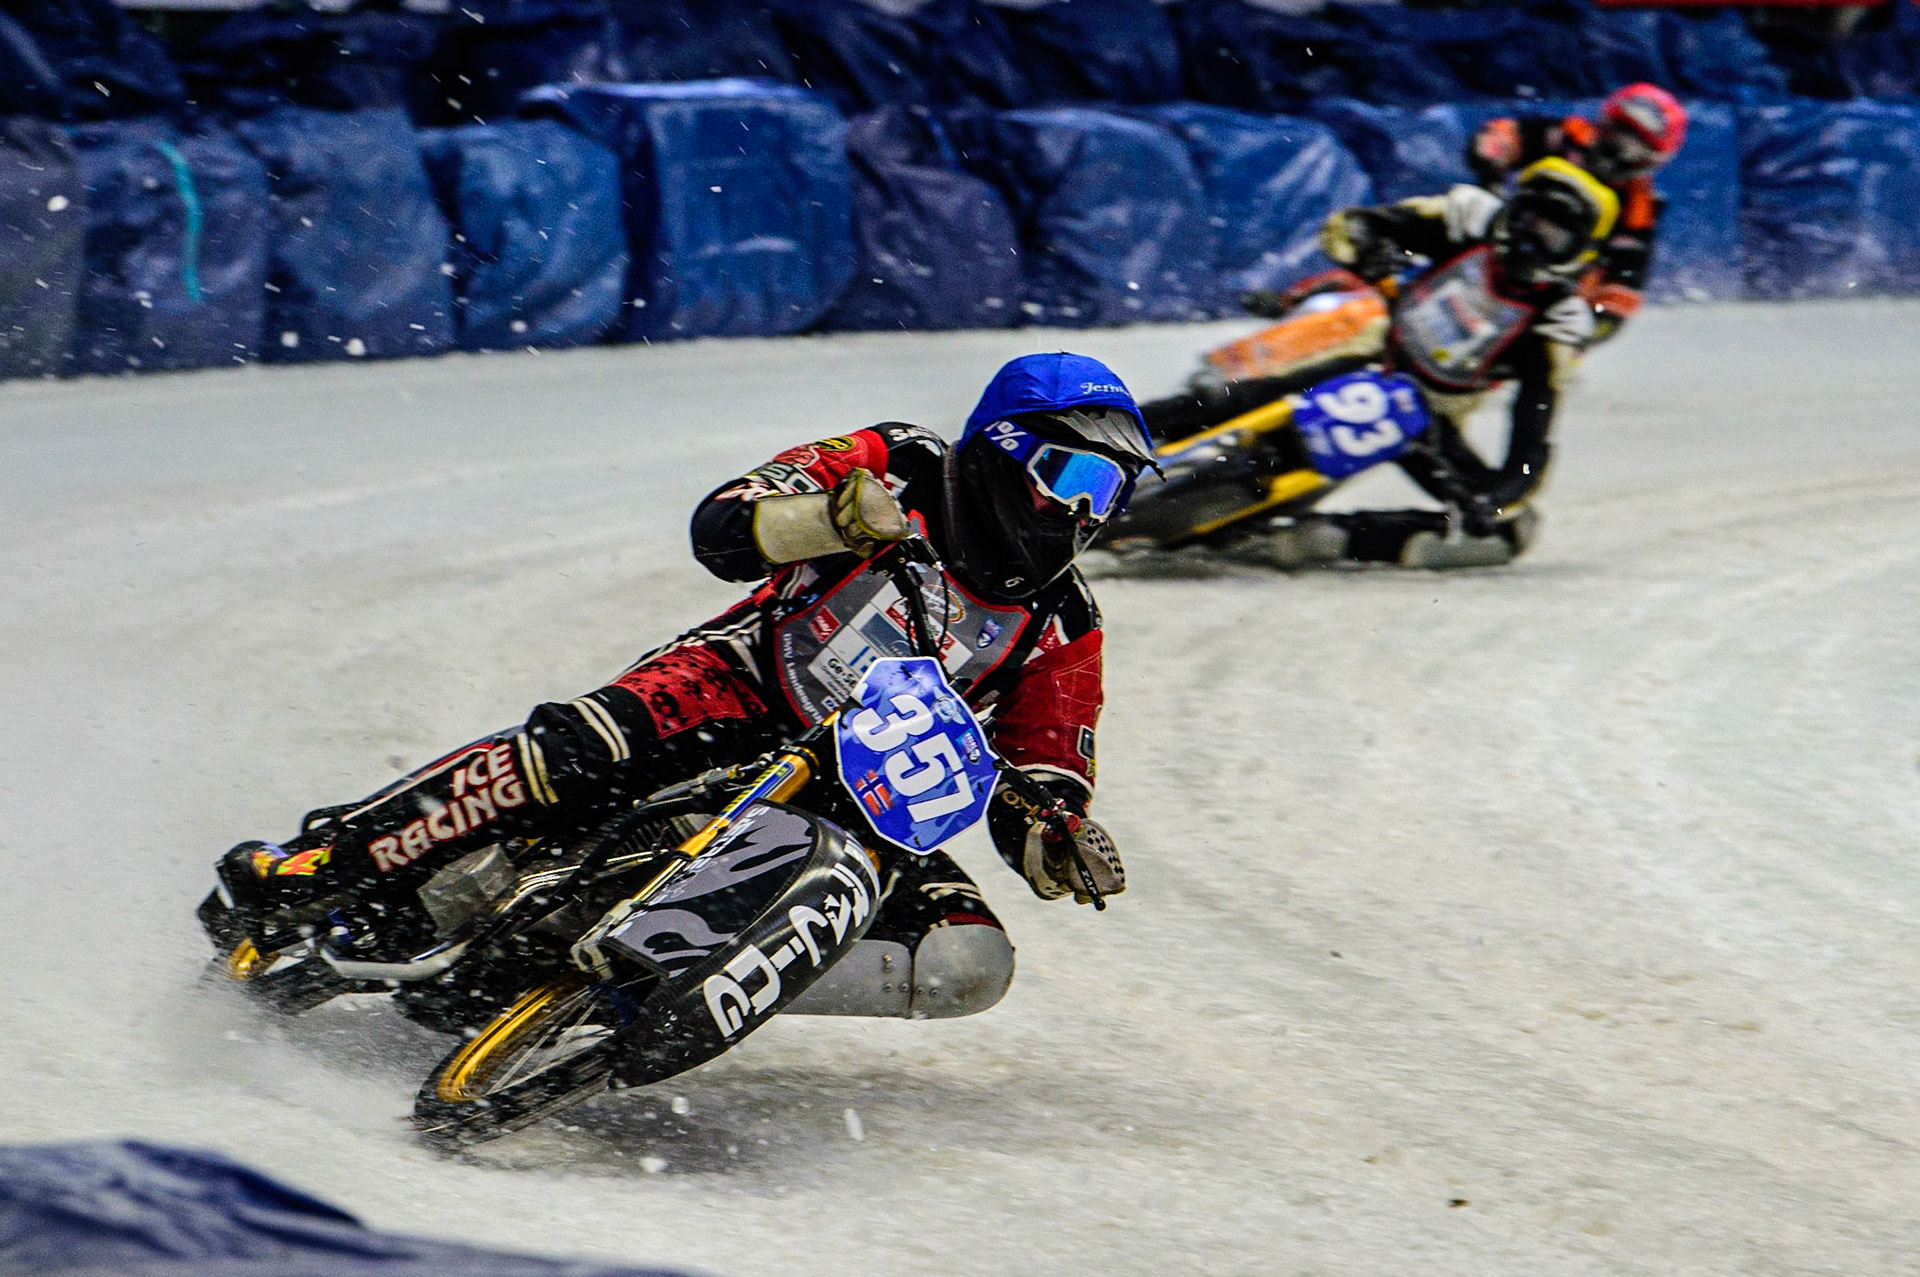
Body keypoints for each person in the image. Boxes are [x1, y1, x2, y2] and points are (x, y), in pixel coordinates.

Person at [215, 352, 1150, 1022]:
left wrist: (1052, 837)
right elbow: (723, 524)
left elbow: (1046, 761)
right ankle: (322, 864)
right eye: (1068, 475)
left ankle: (664, 989)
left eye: (1108, 496)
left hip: (869, 798)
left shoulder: (1067, 620)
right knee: (568, 750)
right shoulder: (902, 461)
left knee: (965, 960)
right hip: (737, 687)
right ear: (997, 446)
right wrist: (827, 516)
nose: (1081, 514)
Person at [1260, 157, 1621, 569]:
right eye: (1529, 221)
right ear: (1513, 210)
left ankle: (1334, 538)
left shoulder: (1559, 320)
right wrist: (1371, 246)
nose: (1530, 242)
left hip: (1423, 416)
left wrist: (1496, 499)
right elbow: (1352, 224)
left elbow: (1532, 432)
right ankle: (1183, 421)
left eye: (1552, 236)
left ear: (1578, 252)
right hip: (1363, 349)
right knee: (1232, 382)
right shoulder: (1468, 215)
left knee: (1512, 529)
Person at [1465, 83, 1689, 344]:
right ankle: (1405, 261)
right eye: (1616, 133)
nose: (1617, 151)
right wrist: (1492, 150)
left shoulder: (1639, 205)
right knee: (1451, 206)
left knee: (1554, 361)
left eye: (1633, 148)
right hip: (1498, 232)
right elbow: (1511, 136)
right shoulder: (1570, 135)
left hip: (1553, 285)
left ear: (1650, 160)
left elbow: (1625, 281)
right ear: (1605, 121)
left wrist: (1594, 323)